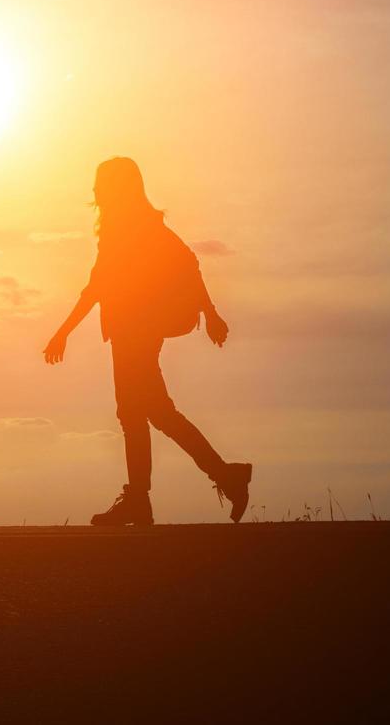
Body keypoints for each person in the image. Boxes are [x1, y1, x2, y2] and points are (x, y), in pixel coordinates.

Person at [42, 157, 251, 525]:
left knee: (135, 414)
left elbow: (182, 265)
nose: (94, 191)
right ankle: (220, 477)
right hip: (132, 331)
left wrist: (63, 332)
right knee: (154, 413)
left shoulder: (133, 228)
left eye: (100, 185)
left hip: (135, 331)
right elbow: (101, 285)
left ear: (115, 188)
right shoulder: (130, 228)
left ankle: (143, 498)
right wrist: (211, 313)